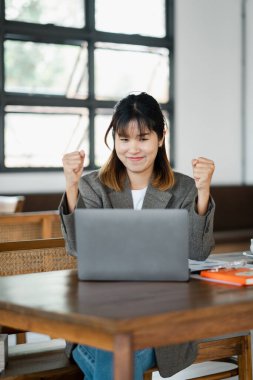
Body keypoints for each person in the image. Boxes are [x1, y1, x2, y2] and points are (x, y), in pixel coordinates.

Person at [59, 92, 215, 380]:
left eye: (143, 138)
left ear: (161, 137)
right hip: (99, 315)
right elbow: (79, 249)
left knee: (117, 352)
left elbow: (198, 251)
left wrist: (203, 192)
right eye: (124, 139)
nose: (133, 149)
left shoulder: (183, 188)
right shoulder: (93, 186)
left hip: (162, 320)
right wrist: (71, 188)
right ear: (114, 139)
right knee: (118, 348)